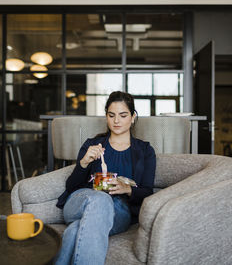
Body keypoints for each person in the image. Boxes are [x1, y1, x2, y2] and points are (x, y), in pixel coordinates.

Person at [54, 91, 156, 265]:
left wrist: (128, 189)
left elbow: (147, 191)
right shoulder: (92, 145)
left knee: (75, 230)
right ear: (106, 117)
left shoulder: (145, 151)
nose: (116, 121)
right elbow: (71, 186)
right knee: (100, 198)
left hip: (119, 211)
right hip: (81, 201)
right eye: (111, 115)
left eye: (123, 115)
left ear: (133, 117)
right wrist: (84, 163)